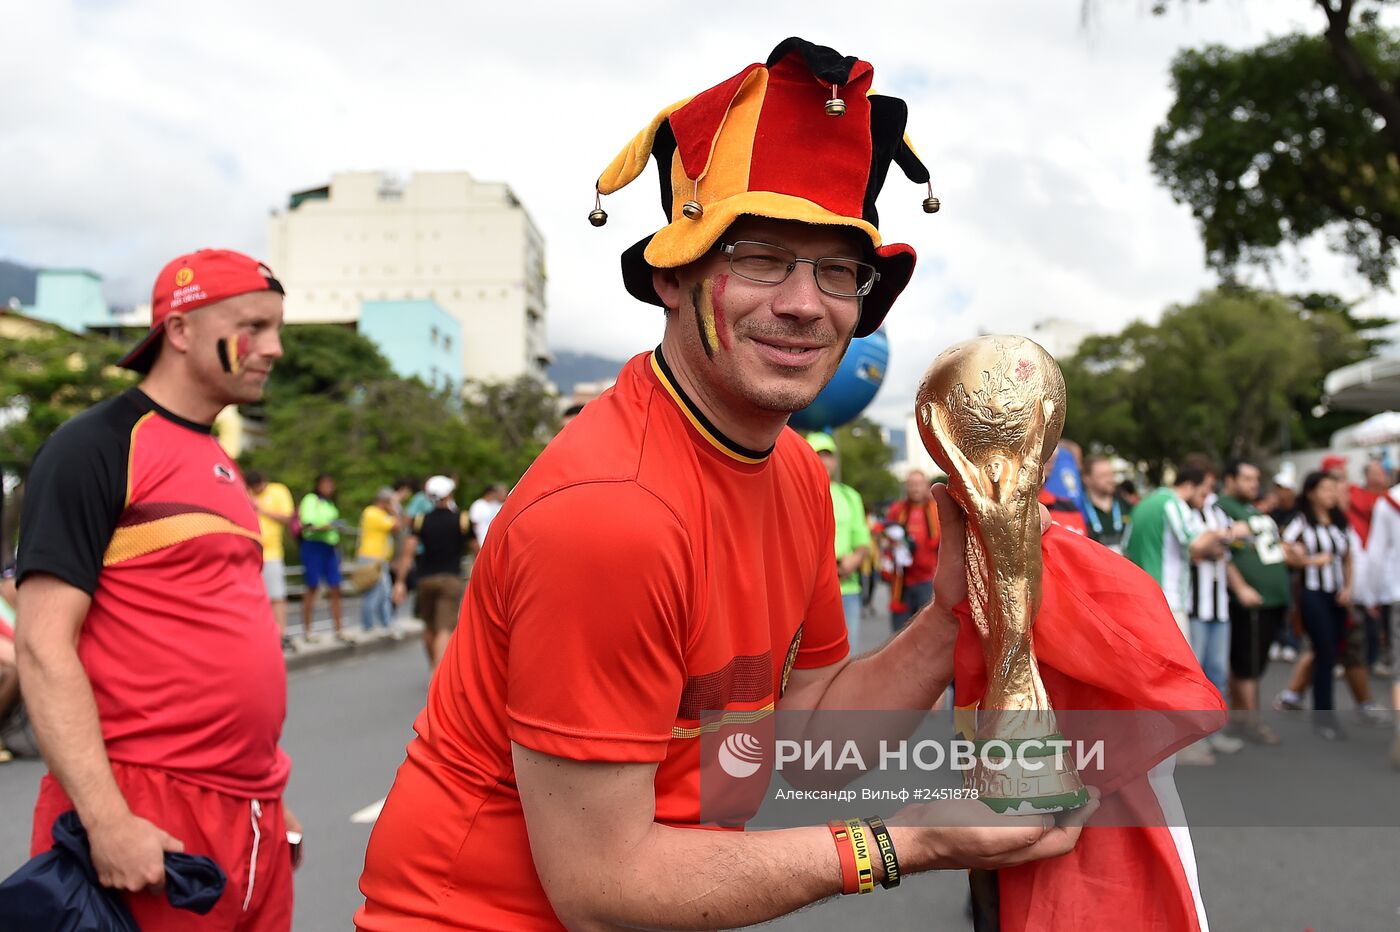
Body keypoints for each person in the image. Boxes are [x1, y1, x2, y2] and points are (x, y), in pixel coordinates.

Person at [356, 40, 1105, 931]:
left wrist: (951, 617)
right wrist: (913, 841)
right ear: (673, 276)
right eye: (760, 258)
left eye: (837, 270)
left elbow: (804, 743)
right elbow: (604, 887)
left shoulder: (792, 470)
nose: (803, 303)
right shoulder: (612, 517)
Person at [14, 249, 299, 929]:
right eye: (254, 326)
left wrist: (271, 802)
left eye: (277, 328)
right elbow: (41, 647)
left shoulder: (219, 458)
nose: (275, 349)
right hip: (148, 809)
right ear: (180, 329)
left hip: (252, 811)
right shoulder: (97, 445)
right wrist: (107, 820)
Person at [1215, 459, 1289, 744]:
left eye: (1256, 479)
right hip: (1249, 600)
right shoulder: (1222, 508)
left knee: (1256, 662)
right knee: (1247, 662)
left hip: (1272, 598)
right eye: (1247, 479)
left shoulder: (1251, 508)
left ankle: (1243, 716)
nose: (1254, 484)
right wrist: (1242, 586)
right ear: (1230, 479)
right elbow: (1225, 553)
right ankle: (1250, 720)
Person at [1280, 471, 1356, 740]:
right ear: (1311, 492)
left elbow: (1347, 557)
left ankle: (1317, 708)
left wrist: (1348, 587)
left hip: (1336, 595)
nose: (1331, 494)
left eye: (1334, 489)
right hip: (1312, 593)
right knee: (1323, 650)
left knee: (1332, 651)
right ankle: (1324, 715)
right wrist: (1310, 562)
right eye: (1325, 489)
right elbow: (1282, 550)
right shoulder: (1301, 521)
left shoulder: (1339, 522)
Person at [392, 475, 471, 670]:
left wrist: (400, 582)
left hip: (425, 578)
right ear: (449, 494)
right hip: (450, 578)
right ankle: (438, 673)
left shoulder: (421, 521)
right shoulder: (461, 520)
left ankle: (433, 666)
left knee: (429, 626)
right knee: (445, 628)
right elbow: (480, 550)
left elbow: (407, 554)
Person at [807, 432, 872, 650]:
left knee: (847, 654)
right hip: (808, 593)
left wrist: (854, 560)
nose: (824, 461)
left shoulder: (849, 496)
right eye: (818, 455)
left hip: (846, 590)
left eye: (828, 455)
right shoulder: (796, 493)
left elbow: (862, 540)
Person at [245, 469, 295, 646]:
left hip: (272, 553)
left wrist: (260, 508)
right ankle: (261, 635)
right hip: (249, 552)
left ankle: (282, 633)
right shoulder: (245, 492)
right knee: (254, 598)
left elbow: (287, 517)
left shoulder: (278, 491)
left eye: (259, 487)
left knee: (277, 595)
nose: (257, 490)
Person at [884, 471, 940, 631]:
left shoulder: (936, 510)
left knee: (926, 631)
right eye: (911, 484)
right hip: (901, 580)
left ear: (927, 487)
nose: (915, 489)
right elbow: (885, 536)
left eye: (919, 484)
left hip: (928, 580)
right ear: (906, 487)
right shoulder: (897, 510)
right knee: (900, 632)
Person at [299, 473, 347, 643]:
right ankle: (307, 630)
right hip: (314, 546)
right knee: (312, 586)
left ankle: (339, 628)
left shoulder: (330, 503)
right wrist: (327, 526)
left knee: (335, 586)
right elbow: (308, 523)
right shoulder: (311, 500)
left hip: (330, 547)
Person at [356, 487, 400, 635]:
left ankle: (385, 622)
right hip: (372, 558)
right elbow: (397, 525)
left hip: (378, 559)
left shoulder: (377, 514)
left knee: (384, 591)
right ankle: (370, 625)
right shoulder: (372, 513)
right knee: (374, 592)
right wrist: (394, 509)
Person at [1081, 454, 1130, 553]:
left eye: (1111, 474)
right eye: (1103, 476)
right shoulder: (1078, 508)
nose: (1110, 480)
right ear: (1087, 479)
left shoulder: (1125, 505)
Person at [467, 483, 507, 547]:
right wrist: (474, 542)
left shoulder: (494, 505)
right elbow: (472, 524)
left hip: (491, 544)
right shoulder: (478, 505)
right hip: (480, 541)